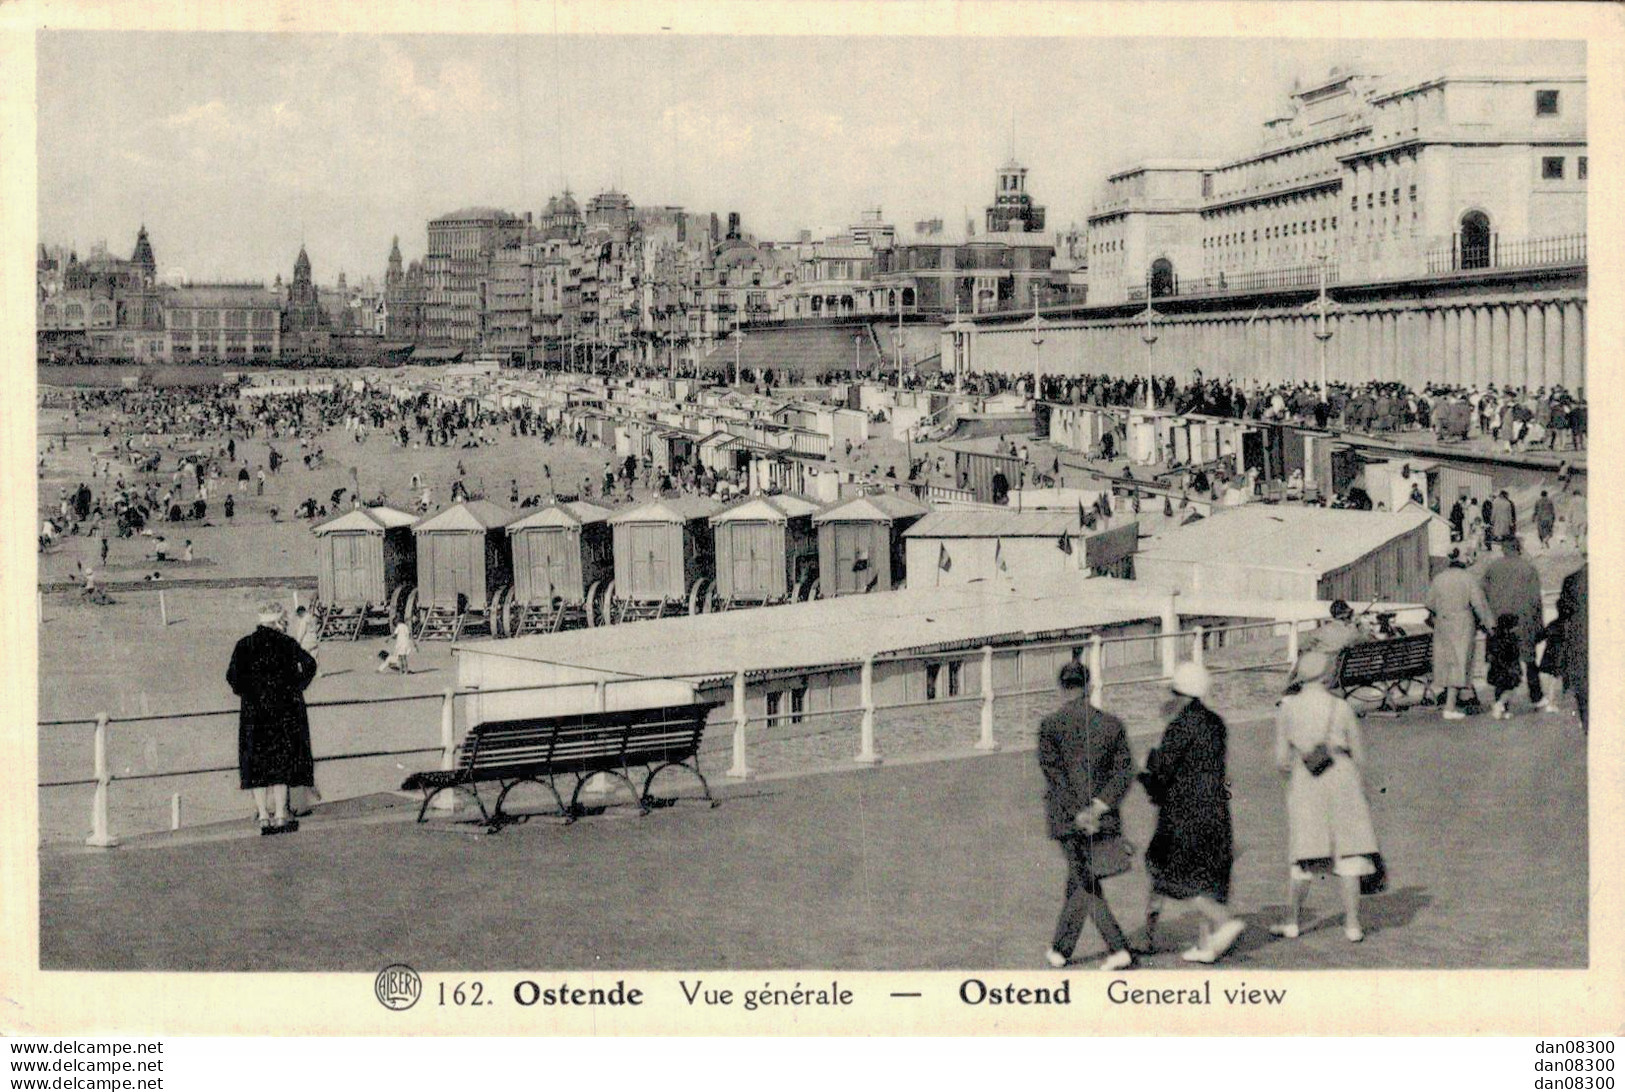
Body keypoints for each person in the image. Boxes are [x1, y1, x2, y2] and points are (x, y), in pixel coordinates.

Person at [1271, 651, 1383, 944]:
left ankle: (1293, 922)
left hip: (1307, 778)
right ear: (1325, 676)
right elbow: (1359, 754)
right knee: (1349, 853)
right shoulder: (1341, 707)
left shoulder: (1287, 707)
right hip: (1341, 775)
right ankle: (1353, 925)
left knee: (1305, 852)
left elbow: (1281, 759)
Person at [1138, 662, 1244, 964]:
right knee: (1209, 878)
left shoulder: (1179, 726)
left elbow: (1162, 772)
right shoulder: (1216, 723)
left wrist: (1145, 768)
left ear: (1181, 694)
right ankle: (1206, 944)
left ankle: (1223, 923)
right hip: (1216, 811)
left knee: (1171, 874)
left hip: (1183, 816)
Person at [1038, 659, 1137, 971]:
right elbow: (1125, 771)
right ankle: (1060, 949)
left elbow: (1055, 776)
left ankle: (1118, 947)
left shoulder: (1050, 726)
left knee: (1084, 881)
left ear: (1061, 689)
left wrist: (1077, 812)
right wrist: (1098, 806)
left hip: (1068, 820)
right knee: (1082, 877)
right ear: (1090, 687)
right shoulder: (1112, 724)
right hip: (1102, 817)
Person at [225, 603, 318, 835]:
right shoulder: (286, 643)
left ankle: (263, 817)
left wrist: (246, 693)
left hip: (253, 713)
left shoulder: (244, 644)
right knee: (281, 762)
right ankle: (280, 815)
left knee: (256, 763)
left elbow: (232, 677)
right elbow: (310, 664)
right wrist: (296, 687)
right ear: (277, 621)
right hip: (283, 711)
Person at [1479, 538, 1549, 715]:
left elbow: (1482, 596)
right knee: (1529, 661)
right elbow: (1535, 601)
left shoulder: (1492, 569)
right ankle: (1536, 696)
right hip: (1523, 622)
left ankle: (1501, 700)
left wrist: (1487, 623)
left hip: (1499, 624)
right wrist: (1539, 625)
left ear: (1503, 549)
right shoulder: (1528, 568)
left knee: (1501, 661)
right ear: (1519, 548)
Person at [1424, 550, 1492, 720]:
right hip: (1462, 623)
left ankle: (1454, 699)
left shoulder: (1439, 578)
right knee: (1461, 661)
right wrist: (1488, 624)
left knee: (1448, 661)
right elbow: (1478, 604)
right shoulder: (1468, 579)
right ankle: (1451, 705)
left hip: (1443, 623)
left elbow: (1430, 603)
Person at [1486, 614, 1524, 720]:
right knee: (1510, 689)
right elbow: (1515, 653)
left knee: (1499, 689)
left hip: (1496, 667)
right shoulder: (1512, 638)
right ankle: (1500, 705)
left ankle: (1503, 709)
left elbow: (1489, 652)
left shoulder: (1493, 636)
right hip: (1509, 668)